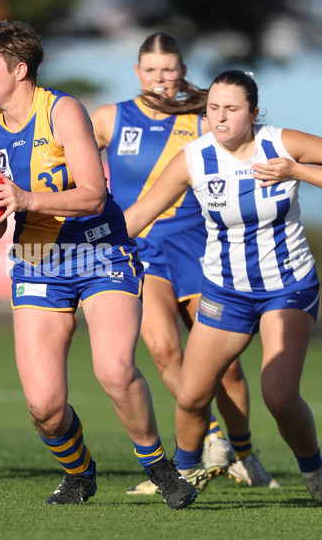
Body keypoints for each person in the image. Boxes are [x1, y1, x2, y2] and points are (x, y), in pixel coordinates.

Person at [0, 19, 198, 509]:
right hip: (37, 259)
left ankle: (160, 469)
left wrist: (24, 197)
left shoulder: (63, 111)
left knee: (115, 370)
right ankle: (79, 474)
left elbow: (93, 194)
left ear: (19, 69)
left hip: (100, 248)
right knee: (43, 405)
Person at [90, 32, 278, 493]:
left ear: (183, 73)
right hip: (141, 250)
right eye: (151, 70)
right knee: (162, 349)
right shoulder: (111, 118)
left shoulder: (203, 117)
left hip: (198, 249)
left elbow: (247, 155)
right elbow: (69, 159)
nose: (160, 79)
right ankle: (209, 439)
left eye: (169, 70)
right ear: (137, 73)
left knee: (227, 366)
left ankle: (245, 454)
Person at [123, 69, 322, 503]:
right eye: (213, 108)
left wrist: (296, 170)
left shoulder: (280, 143)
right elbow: (140, 215)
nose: (220, 117)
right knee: (192, 396)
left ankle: (315, 474)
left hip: (286, 287)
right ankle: (186, 475)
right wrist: (82, 241)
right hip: (225, 291)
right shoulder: (194, 157)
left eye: (231, 109)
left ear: (252, 113)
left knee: (279, 396)